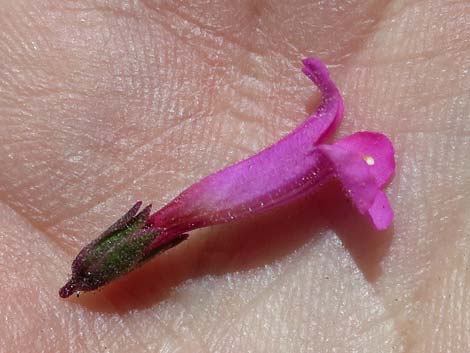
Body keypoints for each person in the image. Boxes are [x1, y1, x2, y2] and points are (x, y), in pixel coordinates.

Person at [0, 1, 468, 352]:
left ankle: (106, 262)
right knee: (170, 221)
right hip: (173, 223)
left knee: (174, 219)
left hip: (177, 221)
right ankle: (97, 268)